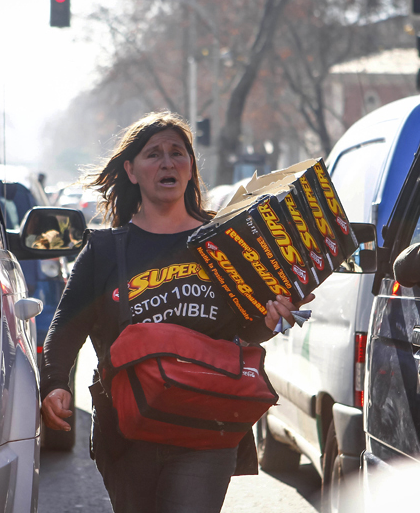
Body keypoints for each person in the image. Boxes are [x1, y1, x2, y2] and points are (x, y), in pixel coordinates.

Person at [40, 111, 312, 513]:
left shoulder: (226, 241)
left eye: (177, 153)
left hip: (207, 426)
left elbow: (246, 331)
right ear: (131, 171)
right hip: (127, 430)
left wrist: (272, 318)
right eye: (153, 154)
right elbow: (65, 328)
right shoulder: (104, 251)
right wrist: (55, 383)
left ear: (190, 167)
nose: (167, 162)